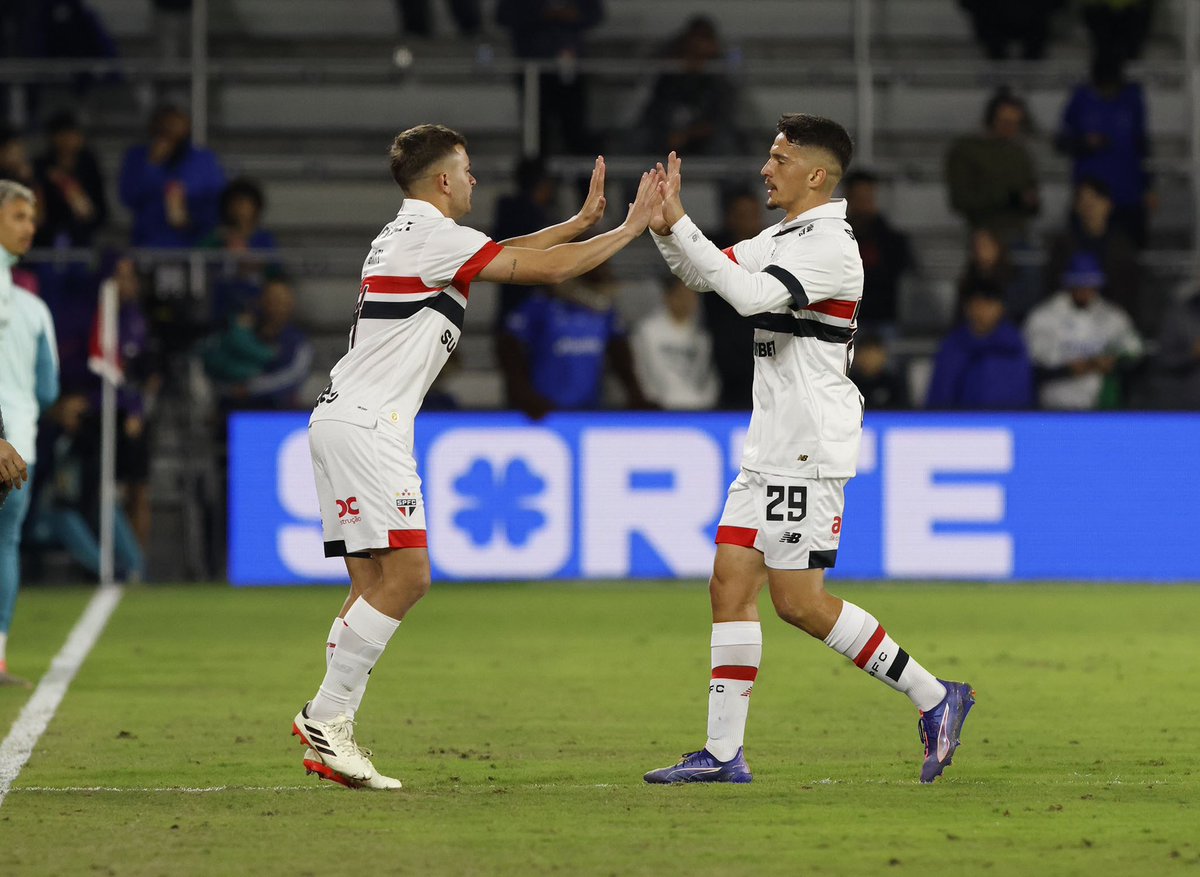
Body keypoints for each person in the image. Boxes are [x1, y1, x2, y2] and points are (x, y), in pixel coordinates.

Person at [291, 124, 659, 789]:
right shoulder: (435, 237)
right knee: (407, 577)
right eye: (466, 170)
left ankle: (331, 731)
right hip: (372, 426)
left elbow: (501, 252)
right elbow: (541, 270)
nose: (474, 181)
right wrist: (630, 228)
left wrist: (577, 221)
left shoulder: (401, 234)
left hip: (339, 417)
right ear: (441, 181)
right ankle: (327, 717)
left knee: (370, 587)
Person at [641, 115, 974, 785]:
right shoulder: (783, 235)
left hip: (806, 449)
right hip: (768, 445)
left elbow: (748, 294)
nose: (767, 169)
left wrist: (682, 229)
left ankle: (935, 696)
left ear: (816, 174)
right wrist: (665, 224)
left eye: (779, 157)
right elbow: (704, 275)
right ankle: (724, 753)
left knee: (799, 600)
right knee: (729, 583)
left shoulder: (831, 247)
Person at [0, 180, 59, 687]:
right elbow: (48, 389)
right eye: (19, 215)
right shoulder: (34, 310)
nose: (29, 227)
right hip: (20, 444)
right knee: (7, 544)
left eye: (32, 217)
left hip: (11, 443)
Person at [498, 264, 653, 417]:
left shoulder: (605, 313)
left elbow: (620, 355)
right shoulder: (541, 306)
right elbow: (509, 347)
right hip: (545, 411)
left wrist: (635, 394)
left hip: (590, 410)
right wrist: (524, 393)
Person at [1024, 252, 1143, 409]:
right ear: (1069, 283)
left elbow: (1135, 350)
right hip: (1055, 406)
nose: (1086, 290)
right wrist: (1067, 370)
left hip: (1101, 407)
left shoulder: (1112, 315)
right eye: (1080, 284)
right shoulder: (1044, 315)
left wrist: (1116, 362)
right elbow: (1032, 365)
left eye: (1091, 284)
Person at [1056, 54, 1152, 247]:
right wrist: (1085, 142)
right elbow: (1061, 142)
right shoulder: (1080, 98)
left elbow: (1142, 143)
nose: (1108, 91)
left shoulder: (1132, 98)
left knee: (1129, 256)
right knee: (1084, 256)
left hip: (1128, 195)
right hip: (1090, 198)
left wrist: (1149, 186)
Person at [495, 0, 603, 156]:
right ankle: (537, 177)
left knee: (576, 132)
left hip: (571, 71)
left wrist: (572, 14)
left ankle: (585, 179)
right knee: (536, 135)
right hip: (532, 70)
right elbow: (503, 16)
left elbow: (594, 14)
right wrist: (541, 13)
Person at [631, 15, 744, 157]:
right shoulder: (669, 71)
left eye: (703, 45)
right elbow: (654, 110)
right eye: (693, 47)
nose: (697, 55)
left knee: (727, 144)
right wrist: (670, 133)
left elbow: (721, 118)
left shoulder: (719, 75)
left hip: (704, 136)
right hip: (666, 132)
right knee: (639, 138)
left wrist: (687, 134)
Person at [118, 104, 226, 248]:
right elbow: (128, 196)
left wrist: (189, 219)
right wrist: (153, 164)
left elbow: (216, 201)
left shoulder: (203, 159)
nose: (170, 129)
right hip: (149, 243)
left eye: (175, 122)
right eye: (165, 123)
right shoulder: (138, 156)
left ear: (187, 124)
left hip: (193, 244)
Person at [1043, 177, 1143, 330]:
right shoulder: (1063, 244)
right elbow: (1053, 285)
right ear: (1076, 207)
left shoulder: (1122, 245)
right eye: (1083, 200)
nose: (1089, 205)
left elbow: (1129, 289)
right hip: (1069, 320)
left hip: (1111, 319)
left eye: (1096, 199)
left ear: (1108, 204)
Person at [202, 276, 314, 411]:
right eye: (273, 300)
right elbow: (215, 362)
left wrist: (251, 389)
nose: (278, 306)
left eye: (283, 301)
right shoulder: (240, 332)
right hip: (232, 409)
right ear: (261, 301)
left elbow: (294, 375)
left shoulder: (298, 342)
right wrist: (230, 389)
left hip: (277, 412)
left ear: (291, 305)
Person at [945, 89, 1040, 247]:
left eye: (1015, 124)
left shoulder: (1019, 153)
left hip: (1019, 233)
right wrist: (1008, 198)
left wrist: (1030, 201)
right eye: (1005, 122)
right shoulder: (966, 151)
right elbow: (960, 199)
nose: (1010, 129)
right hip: (983, 234)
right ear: (991, 120)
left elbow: (1032, 194)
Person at [926, 280, 1035, 409]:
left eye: (989, 305)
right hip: (963, 423)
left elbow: (1024, 392)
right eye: (978, 304)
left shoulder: (1015, 346)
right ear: (967, 308)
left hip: (1009, 421)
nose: (982, 311)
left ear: (1001, 308)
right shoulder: (953, 346)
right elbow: (940, 395)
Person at [704, 191, 762, 409]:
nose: (748, 222)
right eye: (742, 215)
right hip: (722, 344)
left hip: (762, 342)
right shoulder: (713, 251)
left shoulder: (771, 250)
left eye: (753, 215)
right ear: (729, 217)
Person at [631, 275, 719, 410]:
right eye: (681, 295)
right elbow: (641, 371)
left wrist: (707, 402)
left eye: (691, 296)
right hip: (660, 409)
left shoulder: (703, 335)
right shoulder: (648, 331)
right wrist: (652, 402)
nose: (687, 301)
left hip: (699, 409)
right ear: (668, 296)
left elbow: (708, 375)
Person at [842, 169, 915, 334]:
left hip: (884, 318)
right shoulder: (836, 236)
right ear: (849, 199)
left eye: (868, 197)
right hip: (846, 320)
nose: (863, 203)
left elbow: (900, 269)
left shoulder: (891, 238)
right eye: (858, 198)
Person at [32, 111, 109, 249]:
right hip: (48, 235)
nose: (73, 139)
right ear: (55, 138)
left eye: (74, 133)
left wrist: (68, 185)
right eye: (67, 135)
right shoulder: (42, 166)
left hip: (82, 233)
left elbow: (96, 209)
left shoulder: (88, 164)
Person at [956, 0, 1066, 60]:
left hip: (1033, 22)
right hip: (993, 22)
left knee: (1038, 35)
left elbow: (1058, 4)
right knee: (992, 38)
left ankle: (1030, 69)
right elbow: (967, 4)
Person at [849, 333, 909, 410]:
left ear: (883, 355)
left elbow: (905, 412)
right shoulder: (848, 383)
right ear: (856, 355)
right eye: (866, 352)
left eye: (874, 353)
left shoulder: (894, 383)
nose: (869, 358)